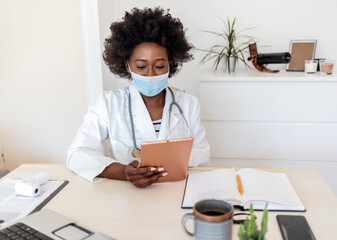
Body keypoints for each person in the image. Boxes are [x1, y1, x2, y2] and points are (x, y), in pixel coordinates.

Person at [67, 7, 210, 187]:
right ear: (127, 66)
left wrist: (172, 163)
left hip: (176, 192)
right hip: (127, 195)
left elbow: (203, 154)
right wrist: (123, 172)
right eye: (141, 67)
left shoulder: (188, 104)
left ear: (170, 65)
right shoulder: (108, 104)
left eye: (159, 66)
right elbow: (77, 154)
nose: (150, 74)